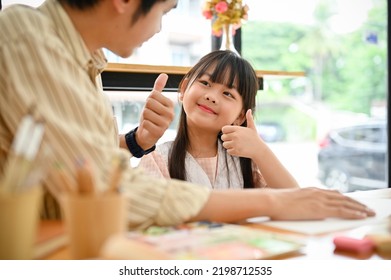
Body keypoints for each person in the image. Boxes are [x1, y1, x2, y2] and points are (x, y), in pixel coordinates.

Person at [0, 0, 375, 230]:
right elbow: (107, 188)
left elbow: (78, 161)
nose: (160, 26)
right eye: (164, 10)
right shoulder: (28, 36)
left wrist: (133, 142)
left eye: (228, 94)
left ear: (243, 112)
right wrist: (273, 203)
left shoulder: (83, 63)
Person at [139, 50, 299, 190]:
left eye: (228, 94)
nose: (212, 96)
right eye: (205, 83)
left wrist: (261, 151)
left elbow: (295, 199)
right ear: (184, 88)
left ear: (240, 116)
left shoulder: (246, 162)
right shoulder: (157, 160)